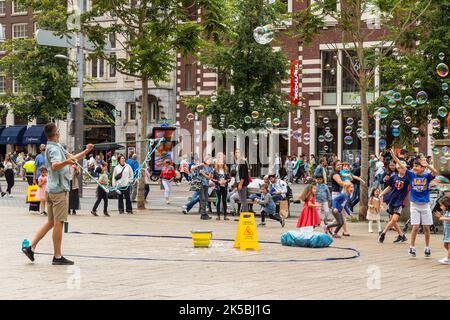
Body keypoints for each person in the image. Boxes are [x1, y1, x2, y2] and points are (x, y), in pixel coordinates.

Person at [22, 122, 94, 265]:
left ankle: (31, 247)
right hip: (58, 191)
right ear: (55, 134)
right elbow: (55, 166)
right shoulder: (54, 149)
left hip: (51, 189)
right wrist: (67, 162)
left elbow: (72, 157)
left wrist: (86, 151)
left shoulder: (55, 146)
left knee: (50, 222)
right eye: (59, 130)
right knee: (58, 223)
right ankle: (57, 256)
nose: (60, 132)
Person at [390, 149, 437, 258]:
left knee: (426, 227)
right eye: (413, 166)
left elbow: (435, 172)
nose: (414, 167)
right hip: (414, 205)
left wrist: (428, 165)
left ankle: (427, 247)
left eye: (417, 166)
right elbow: (402, 165)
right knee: (415, 227)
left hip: (425, 205)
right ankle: (412, 247)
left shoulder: (426, 176)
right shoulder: (411, 175)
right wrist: (394, 157)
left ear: (423, 168)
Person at [378, 162, 409, 243]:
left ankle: (383, 233)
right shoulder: (394, 177)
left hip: (400, 201)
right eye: (401, 167)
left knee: (394, 219)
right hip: (392, 200)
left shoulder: (408, 178)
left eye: (404, 167)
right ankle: (401, 235)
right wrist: (381, 194)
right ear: (398, 168)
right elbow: (389, 187)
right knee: (392, 220)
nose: (404, 169)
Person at [330, 160, 350, 236]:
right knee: (341, 214)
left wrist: (348, 176)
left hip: (339, 193)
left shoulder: (338, 173)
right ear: (334, 166)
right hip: (336, 194)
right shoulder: (335, 174)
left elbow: (345, 176)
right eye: (338, 165)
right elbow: (340, 182)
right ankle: (343, 231)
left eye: (340, 165)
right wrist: (348, 185)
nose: (340, 166)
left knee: (341, 214)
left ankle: (332, 227)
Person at [191, 156, 213, 220]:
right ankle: (203, 214)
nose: (209, 161)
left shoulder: (210, 168)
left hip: (206, 184)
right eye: (208, 159)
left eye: (210, 160)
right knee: (202, 198)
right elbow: (192, 168)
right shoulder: (200, 166)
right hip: (200, 183)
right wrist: (198, 165)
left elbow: (209, 177)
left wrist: (203, 173)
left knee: (205, 198)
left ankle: (204, 214)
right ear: (204, 160)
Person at [433, 197, 450, 265]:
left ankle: (448, 259)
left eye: (441, 205)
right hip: (447, 232)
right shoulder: (446, 212)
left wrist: (443, 218)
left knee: (449, 246)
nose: (440, 207)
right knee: (445, 245)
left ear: (446, 204)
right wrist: (441, 216)